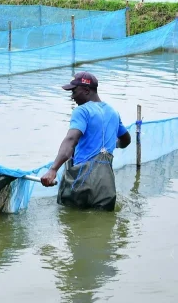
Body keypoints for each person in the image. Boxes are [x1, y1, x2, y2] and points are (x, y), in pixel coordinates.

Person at [40, 72, 131, 211]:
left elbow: (71, 139)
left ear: (86, 90)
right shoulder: (113, 112)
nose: (72, 97)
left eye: (74, 92)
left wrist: (53, 170)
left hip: (82, 181)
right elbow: (126, 140)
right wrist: (114, 145)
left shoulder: (82, 111)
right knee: (103, 227)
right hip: (106, 185)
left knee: (71, 221)